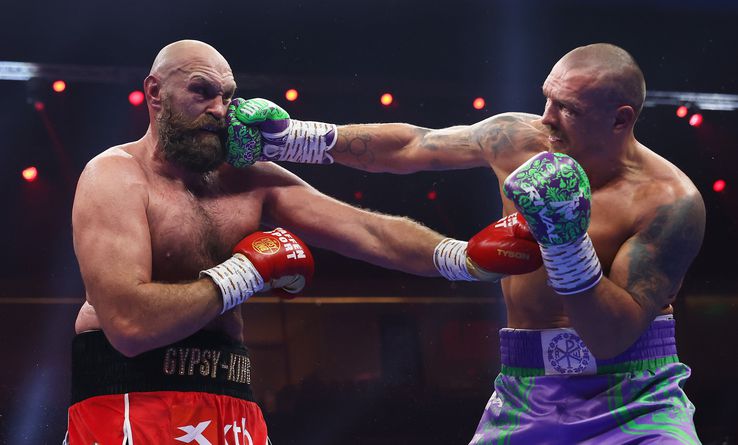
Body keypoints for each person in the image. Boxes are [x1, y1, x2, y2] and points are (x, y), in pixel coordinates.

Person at [66, 40, 543, 445]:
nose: (218, 109)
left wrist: (462, 258)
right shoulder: (115, 176)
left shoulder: (250, 179)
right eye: (202, 92)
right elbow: (128, 326)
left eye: (227, 97)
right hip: (129, 400)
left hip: (232, 403)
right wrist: (245, 272)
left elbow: (367, 230)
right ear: (155, 92)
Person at [232, 43, 706, 444]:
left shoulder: (670, 203)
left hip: (637, 396)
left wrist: (565, 242)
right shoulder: (518, 138)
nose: (547, 118)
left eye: (569, 109)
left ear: (621, 119)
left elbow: (610, 337)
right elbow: (411, 146)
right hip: (527, 390)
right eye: (547, 99)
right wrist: (291, 139)